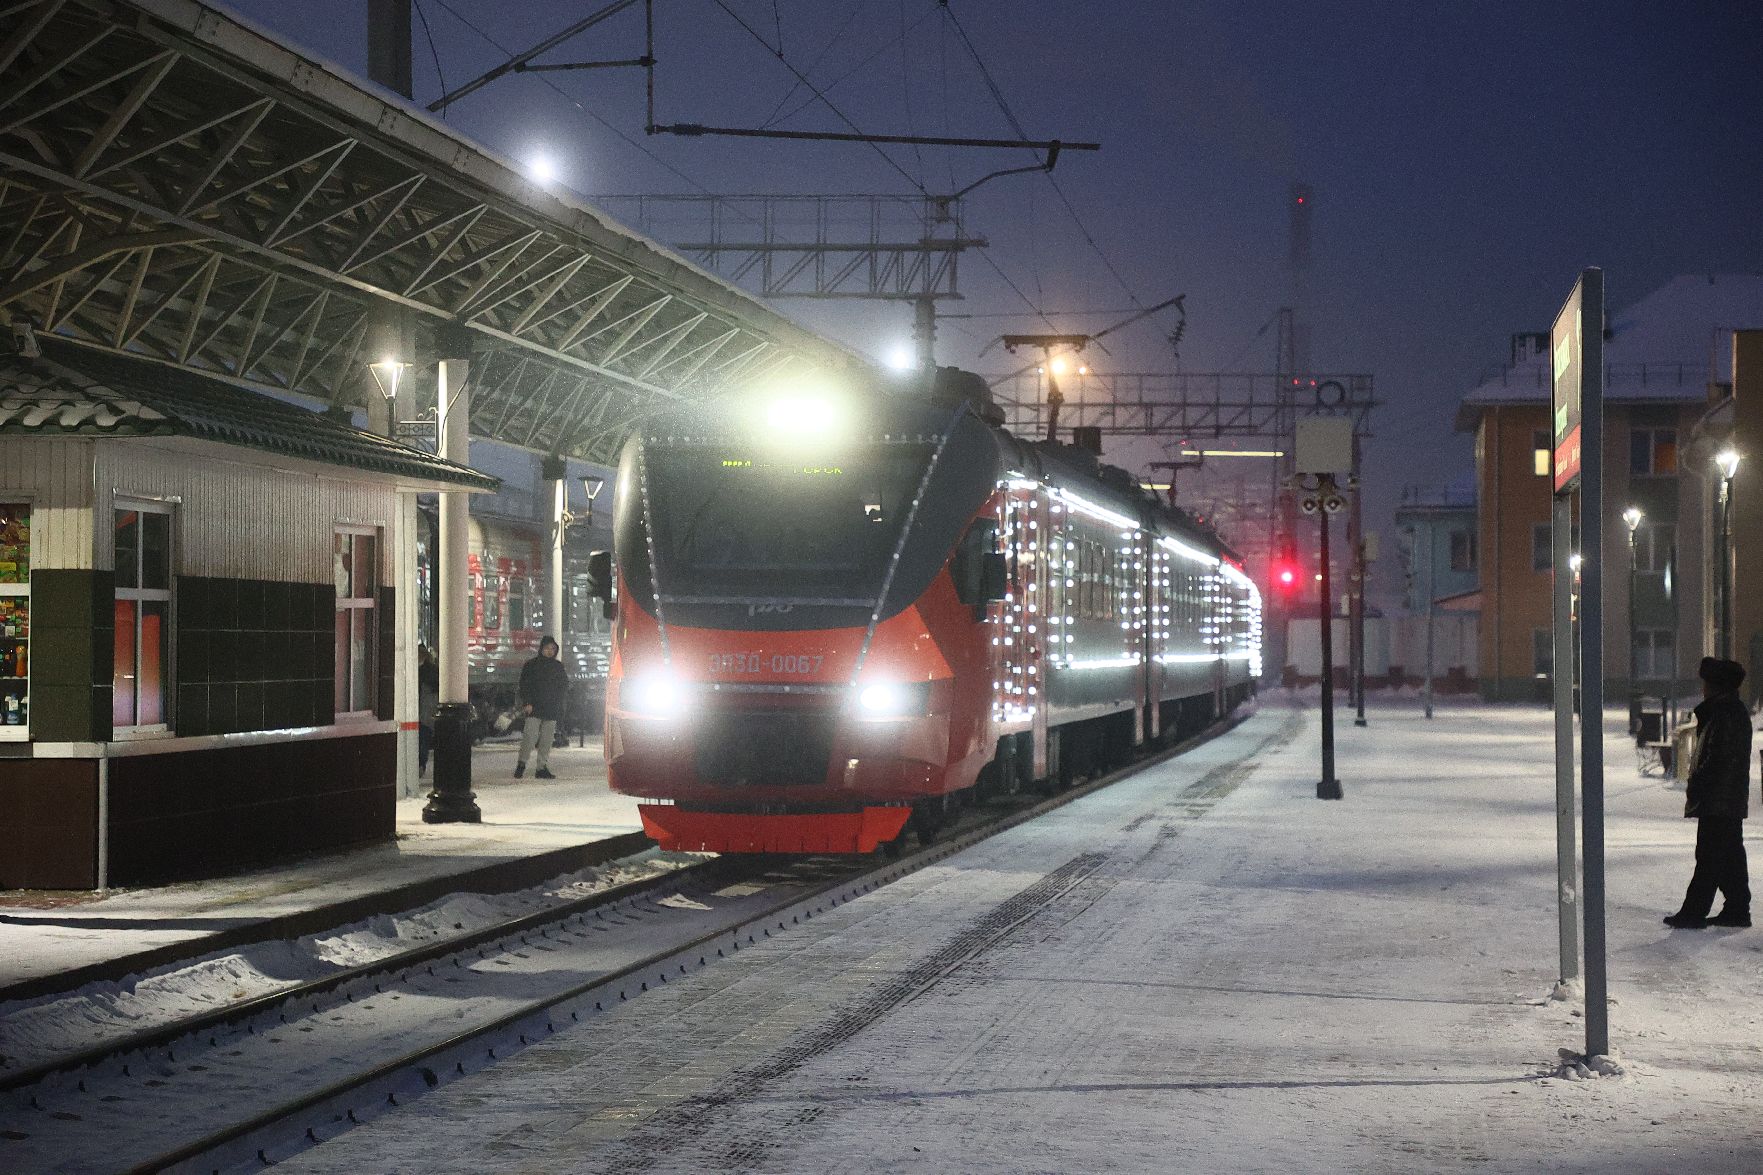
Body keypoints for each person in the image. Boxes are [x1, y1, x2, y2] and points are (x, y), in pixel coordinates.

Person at [1665, 656, 1754, 929]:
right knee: (1729, 855)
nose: (1703, 689)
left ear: (1717, 686)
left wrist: (1700, 782)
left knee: (1709, 856)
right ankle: (1737, 908)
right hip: (1725, 798)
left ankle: (1694, 911)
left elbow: (1718, 759)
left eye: (1707, 683)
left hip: (1720, 798)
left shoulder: (1725, 715)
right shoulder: (1726, 712)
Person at [515, 635, 569, 780]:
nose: (550, 651)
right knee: (529, 737)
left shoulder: (558, 667)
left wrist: (559, 705)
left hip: (551, 708)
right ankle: (522, 763)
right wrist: (527, 702)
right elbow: (524, 685)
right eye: (547, 648)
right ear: (541, 649)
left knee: (546, 740)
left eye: (553, 649)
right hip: (535, 707)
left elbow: (563, 687)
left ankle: (541, 767)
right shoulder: (531, 665)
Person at [416, 644, 439, 778]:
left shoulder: (423, 671)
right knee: (424, 737)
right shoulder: (433, 670)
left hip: (423, 710)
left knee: (422, 738)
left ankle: (420, 764)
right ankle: (421, 764)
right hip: (426, 711)